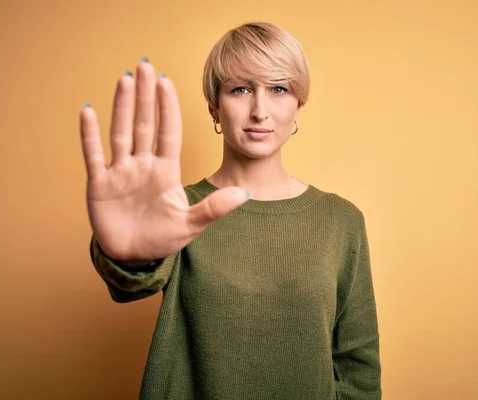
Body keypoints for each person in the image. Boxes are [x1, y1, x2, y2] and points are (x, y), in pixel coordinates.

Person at [80, 21, 381, 400]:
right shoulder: (180, 209)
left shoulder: (341, 220)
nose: (259, 110)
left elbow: (358, 367)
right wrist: (127, 258)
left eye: (278, 89)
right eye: (240, 89)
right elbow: (130, 285)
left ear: (298, 105)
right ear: (214, 108)